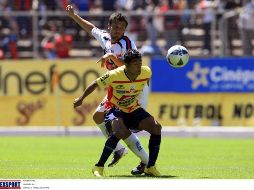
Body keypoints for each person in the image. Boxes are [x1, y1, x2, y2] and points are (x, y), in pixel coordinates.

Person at [66, 4, 149, 175]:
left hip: (132, 87)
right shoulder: (104, 37)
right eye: (116, 27)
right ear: (109, 27)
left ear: (125, 30)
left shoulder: (127, 44)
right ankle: (120, 150)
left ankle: (147, 162)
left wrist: (111, 57)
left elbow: (133, 69)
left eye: (122, 28)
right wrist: (74, 16)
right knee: (98, 116)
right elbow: (91, 28)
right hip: (117, 87)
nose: (118, 30)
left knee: (122, 128)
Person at [73, 49, 162, 177]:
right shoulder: (114, 75)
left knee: (156, 127)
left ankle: (150, 167)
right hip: (114, 108)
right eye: (136, 63)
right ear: (126, 65)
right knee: (119, 132)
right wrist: (81, 99)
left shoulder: (146, 71)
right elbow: (95, 83)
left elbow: (145, 83)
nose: (139, 66)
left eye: (140, 62)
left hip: (133, 109)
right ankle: (98, 166)